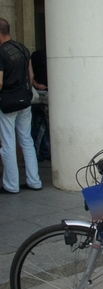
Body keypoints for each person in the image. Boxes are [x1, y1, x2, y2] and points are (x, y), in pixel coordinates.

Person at [0, 18, 42, 193]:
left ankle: (11, 185)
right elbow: (30, 76)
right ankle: (34, 181)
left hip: (7, 103)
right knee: (26, 140)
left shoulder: (0, 52)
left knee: (8, 143)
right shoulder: (22, 48)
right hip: (25, 101)